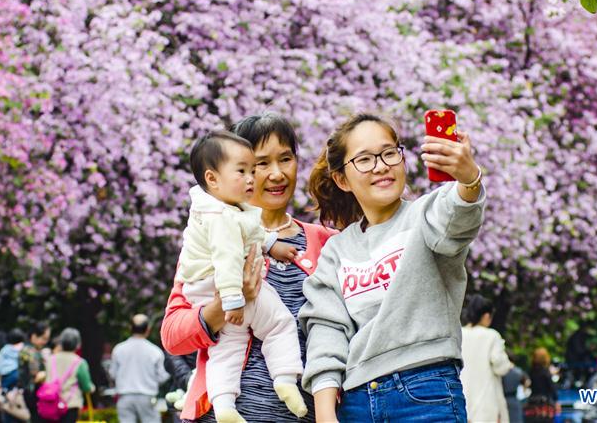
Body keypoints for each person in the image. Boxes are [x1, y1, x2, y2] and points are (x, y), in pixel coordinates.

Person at [300, 112, 486, 422]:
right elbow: (326, 328)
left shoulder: (425, 215)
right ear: (342, 179)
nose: (381, 166)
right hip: (357, 401)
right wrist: (324, 409)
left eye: (389, 153)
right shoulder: (337, 250)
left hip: (426, 392)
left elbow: (457, 219)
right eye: (365, 159)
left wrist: (469, 179)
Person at [162, 112, 338, 423]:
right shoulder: (208, 244)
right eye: (259, 165)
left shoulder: (326, 242)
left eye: (285, 159)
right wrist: (224, 305)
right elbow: (173, 336)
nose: (275, 174)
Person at [460, 294, 514, 422]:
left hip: (462, 398)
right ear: (486, 316)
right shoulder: (491, 336)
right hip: (486, 401)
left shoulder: (459, 334)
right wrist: (508, 365)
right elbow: (500, 366)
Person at [110, 314, 170, 423]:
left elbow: (113, 374)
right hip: (147, 397)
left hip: (125, 397)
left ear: (130, 328)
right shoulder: (155, 351)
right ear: (148, 330)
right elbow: (162, 376)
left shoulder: (119, 349)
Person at [39, 328, 94, 423]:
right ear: (78, 344)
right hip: (70, 405)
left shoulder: (50, 360)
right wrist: (92, 388)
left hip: (50, 403)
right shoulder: (79, 362)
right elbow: (86, 386)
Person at [18, 322, 51, 421]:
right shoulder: (30, 351)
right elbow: (36, 374)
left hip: (30, 393)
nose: (45, 342)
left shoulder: (29, 349)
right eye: (44, 338)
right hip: (33, 394)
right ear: (34, 336)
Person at [524, 348, 558, 423]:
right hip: (545, 404)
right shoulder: (546, 372)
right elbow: (552, 388)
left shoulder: (531, 371)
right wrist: (556, 401)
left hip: (532, 404)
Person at [502, 354, 530, 423]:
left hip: (502, 400)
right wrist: (524, 390)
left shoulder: (501, 371)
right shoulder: (518, 371)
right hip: (514, 400)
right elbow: (527, 382)